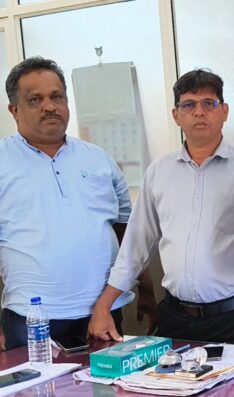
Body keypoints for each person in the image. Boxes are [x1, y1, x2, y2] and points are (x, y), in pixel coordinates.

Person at [88, 69, 234, 345]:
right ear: (176, 115)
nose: (199, 112)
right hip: (175, 319)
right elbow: (136, 245)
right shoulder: (159, 172)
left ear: (225, 111)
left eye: (209, 103)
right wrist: (104, 305)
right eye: (188, 105)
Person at [0, 57, 134, 350]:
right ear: (14, 110)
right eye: (35, 99)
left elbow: (127, 229)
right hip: (31, 319)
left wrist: (143, 289)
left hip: (102, 313)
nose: (49, 106)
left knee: (106, 382)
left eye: (56, 96)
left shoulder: (98, 158)